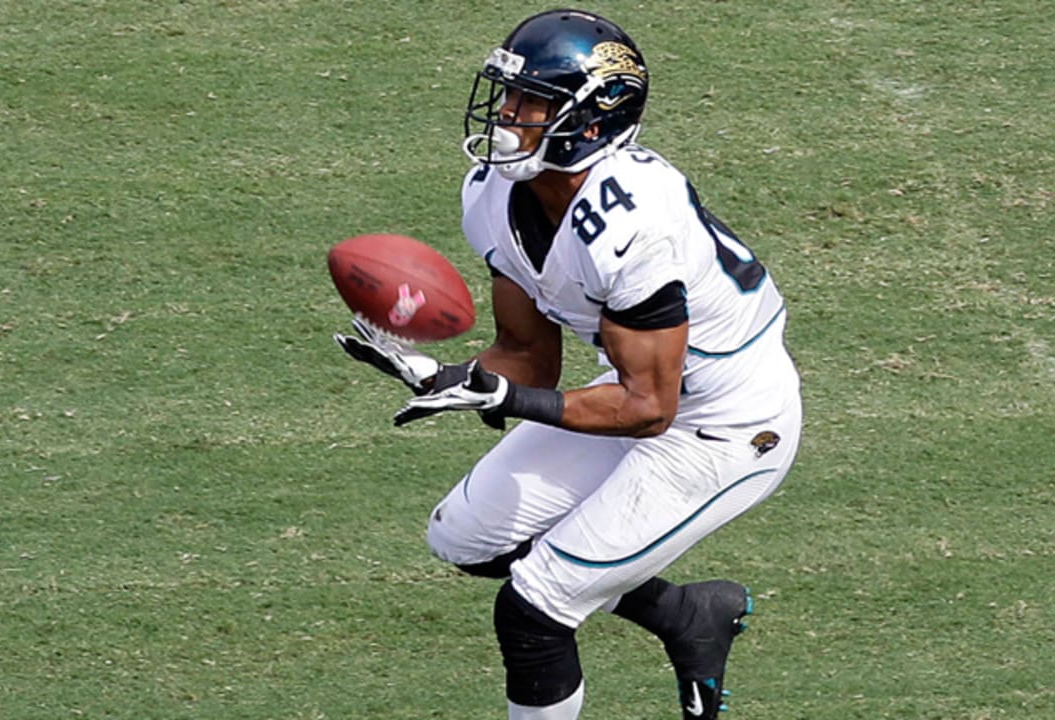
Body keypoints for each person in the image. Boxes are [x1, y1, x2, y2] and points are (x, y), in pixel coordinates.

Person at [335, 9, 802, 719]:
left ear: (593, 120)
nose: (508, 116)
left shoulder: (633, 220)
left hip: (726, 424)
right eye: (510, 96)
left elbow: (651, 409)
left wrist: (503, 400)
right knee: (464, 538)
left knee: (536, 606)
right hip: (639, 388)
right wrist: (446, 375)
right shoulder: (491, 195)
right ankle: (684, 614)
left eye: (532, 103)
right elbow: (526, 355)